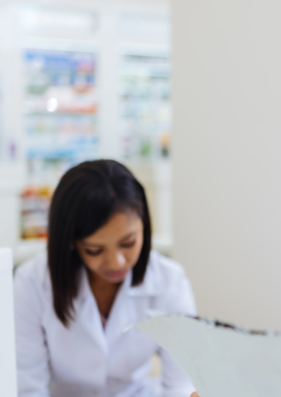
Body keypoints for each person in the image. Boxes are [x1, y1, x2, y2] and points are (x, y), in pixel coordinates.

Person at [15, 160, 198, 397]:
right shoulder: (31, 284)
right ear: (71, 241)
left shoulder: (170, 281)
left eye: (128, 243)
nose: (117, 262)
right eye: (95, 249)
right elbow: (28, 389)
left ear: (144, 225)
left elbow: (181, 386)